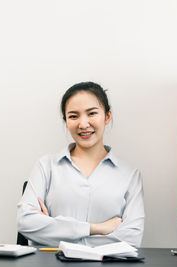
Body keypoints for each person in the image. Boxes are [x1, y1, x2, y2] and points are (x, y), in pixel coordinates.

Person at [17, 82, 145, 248]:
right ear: (66, 121)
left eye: (92, 113)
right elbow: (25, 222)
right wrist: (96, 229)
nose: (83, 124)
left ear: (107, 116)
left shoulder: (130, 175)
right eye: (73, 116)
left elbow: (131, 238)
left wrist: (53, 231)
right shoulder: (46, 166)